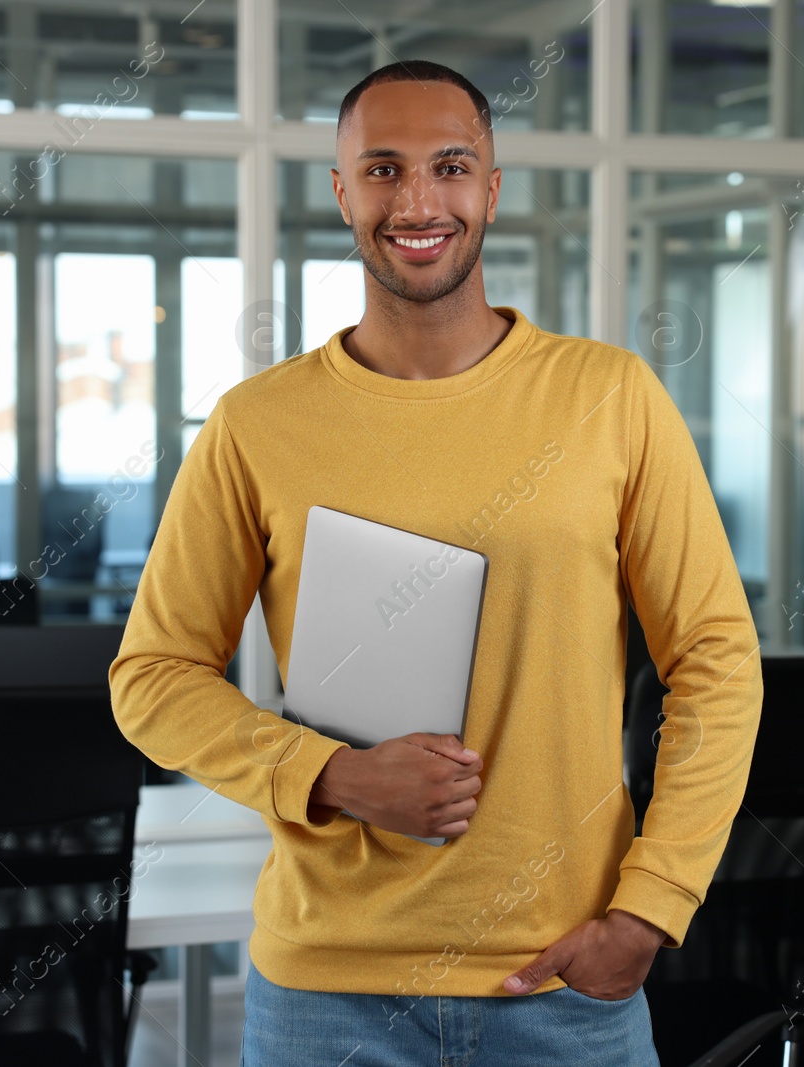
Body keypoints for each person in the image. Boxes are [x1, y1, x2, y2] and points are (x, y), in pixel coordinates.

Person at [109, 58, 762, 1067]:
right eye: (382, 169)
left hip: (557, 982)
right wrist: (329, 773)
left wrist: (652, 906)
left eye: (449, 166)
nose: (417, 201)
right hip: (326, 995)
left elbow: (716, 660)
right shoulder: (257, 424)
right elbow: (150, 678)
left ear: (491, 189)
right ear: (339, 192)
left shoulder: (611, 397)